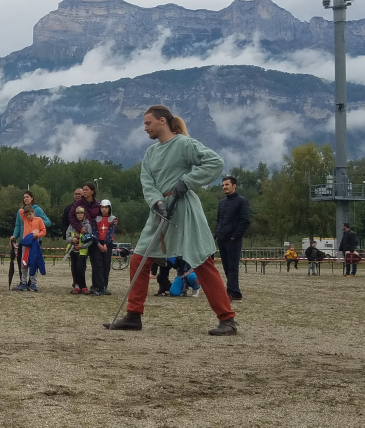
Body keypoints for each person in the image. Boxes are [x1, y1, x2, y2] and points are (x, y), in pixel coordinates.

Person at [104, 105, 238, 336]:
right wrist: (157, 202)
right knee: (139, 260)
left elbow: (215, 162)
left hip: (185, 209)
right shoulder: (150, 153)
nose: (145, 128)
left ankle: (227, 319)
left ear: (162, 121)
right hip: (159, 211)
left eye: (148, 123)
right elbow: (147, 182)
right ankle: (133, 315)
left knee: (202, 262)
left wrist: (187, 181)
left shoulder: (184, 144)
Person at [214, 176, 250, 301]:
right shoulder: (222, 202)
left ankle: (230, 292)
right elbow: (219, 220)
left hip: (233, 240)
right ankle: (235, 292)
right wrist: (216, 235)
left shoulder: (242, 201)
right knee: (225, 266)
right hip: (221, 239)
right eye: (223, 185)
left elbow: (245, 220)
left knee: (233, 267)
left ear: (234, 186)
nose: (224, 187)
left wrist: (235, 236)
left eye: (227, 185)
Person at [69, 183, 103, 294]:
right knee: (78, 265)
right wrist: (80, 228)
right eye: (83, 189)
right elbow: (71, 217)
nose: (84, 192)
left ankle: (97, 286)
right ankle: (79, 285)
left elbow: (104, 217)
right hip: (81, 238)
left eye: (86, 190)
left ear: (92, 191)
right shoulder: (78, 204)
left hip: (95, 236)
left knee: (97, 263)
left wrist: (113, 221)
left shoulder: (98, 204)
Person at [14, 205, 46, 291]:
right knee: (23, 264)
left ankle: (33, 283)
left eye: (30, 214)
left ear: (34, 213)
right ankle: (23, 282)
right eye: (27, 215)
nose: (28, 216)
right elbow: (20, 211)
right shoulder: (24, 219)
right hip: (25, 245)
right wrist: (26, 205)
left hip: (35, 245)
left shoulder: (39, 220)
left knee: (34, 264)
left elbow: (43, 231)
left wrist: (37, 235)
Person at [66, 206, 93, 294]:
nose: (80, 215)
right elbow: (67, 237)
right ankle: (76, 286)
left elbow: (90, 239)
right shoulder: (72, 225)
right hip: (73, 251)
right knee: (74, 269)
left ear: (84, 215)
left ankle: (83, 286)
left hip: (82, 251)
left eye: (81, 213)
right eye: (78, 213)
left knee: (80, 268)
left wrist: (82, 246)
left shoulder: (87, 225)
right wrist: (72, 240)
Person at [94, 200, 118, 295]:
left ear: (109, 208)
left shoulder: (112, 219)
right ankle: (99, 286)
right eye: (102, 207)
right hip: (98, 244)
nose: (104, 209)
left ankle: (104, 286)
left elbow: (110, 232)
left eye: (106, 207)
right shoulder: (96, 219)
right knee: (98, 265)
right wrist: (98, 244)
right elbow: (94, 232)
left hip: (107, 244)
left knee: (106, 266)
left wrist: (106, 244)